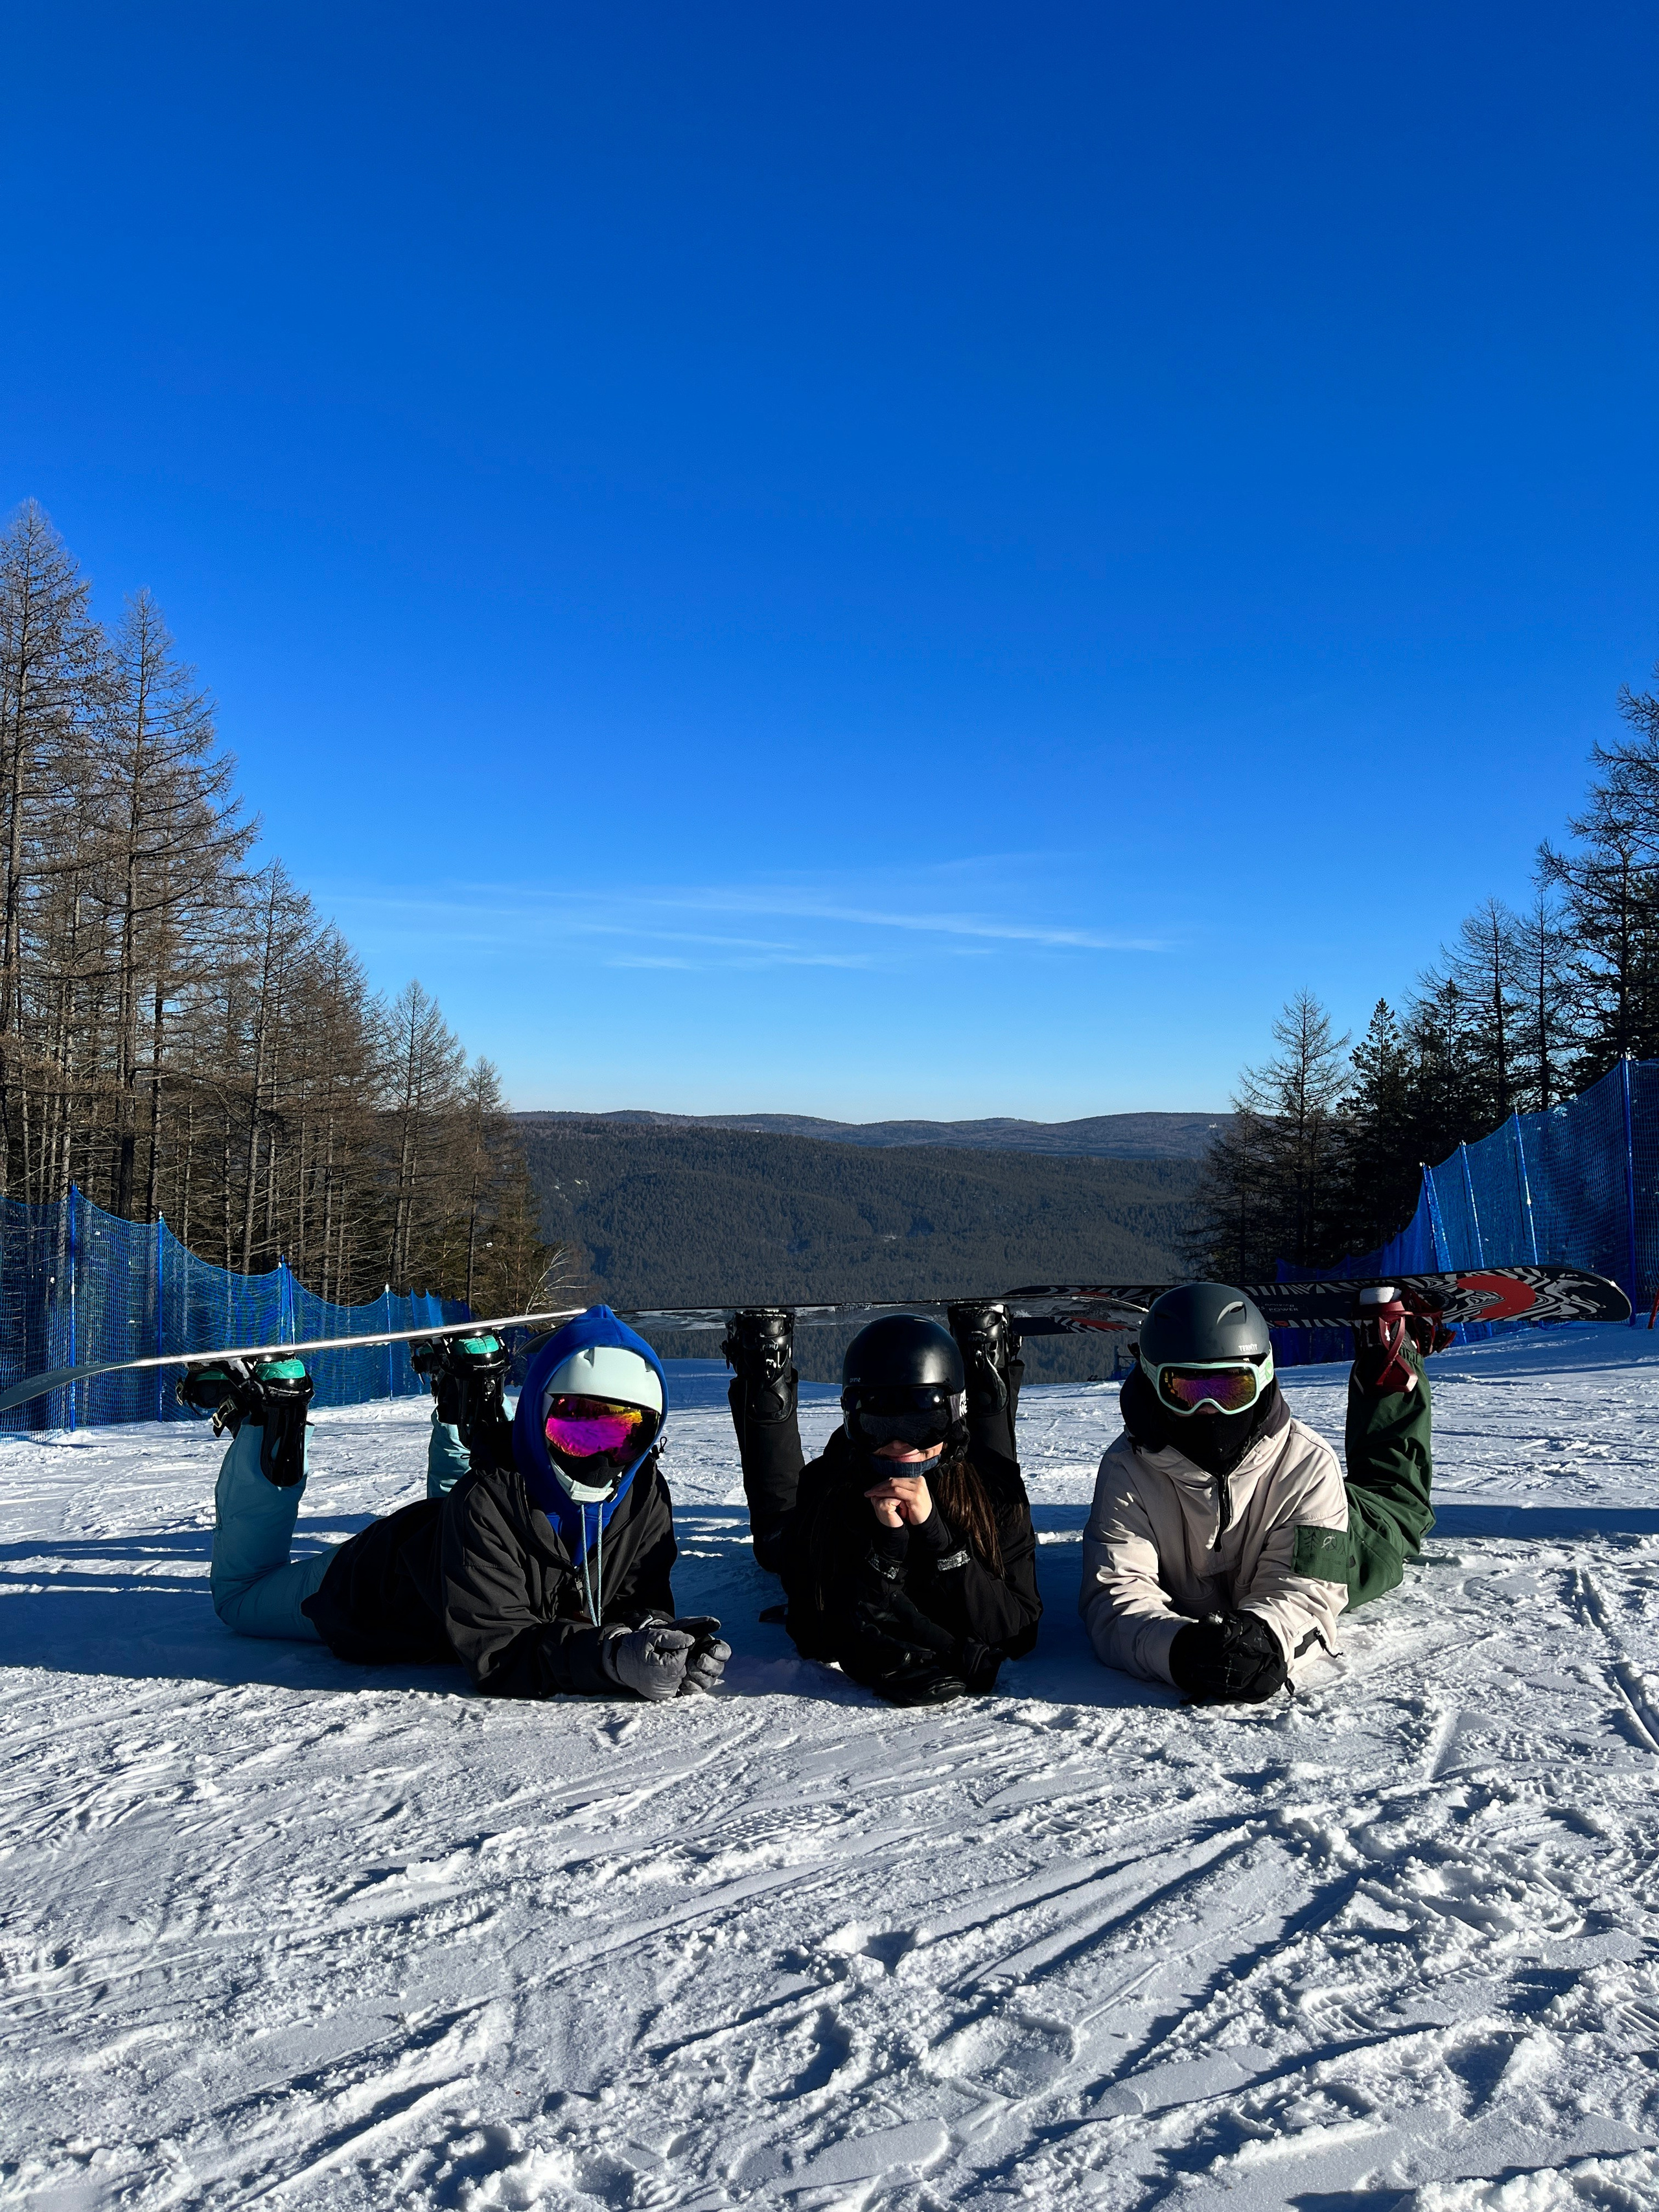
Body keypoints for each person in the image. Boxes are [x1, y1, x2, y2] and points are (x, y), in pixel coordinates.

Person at [190, 1304, 729, 1703]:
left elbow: (638, 1594)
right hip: (374, 1589)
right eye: (577, 1429)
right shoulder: (486, 1502)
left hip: (461, 1543)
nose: (602, 1459)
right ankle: (268, 1421)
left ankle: (468, 1391)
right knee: (240, 1597)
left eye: (627, 1436)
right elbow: (501, 1650)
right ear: (539, 1417)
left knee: (495, 1487)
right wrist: (612, 1658)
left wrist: (662, 1640)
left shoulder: (643, 1496)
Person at [1080, 1281, 1436, 1703]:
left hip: (1332, 1525)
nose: (1209, 1411)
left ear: (1263, 1378)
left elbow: (1309, 1594)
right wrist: (1179, 1649)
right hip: (1259, 1530)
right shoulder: (1129, 1470)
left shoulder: (1306, 1464)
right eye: (1187, 1390)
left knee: (1397, 1506)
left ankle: (1388, 1361)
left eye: (1233, 1389)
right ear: (1153, 1385)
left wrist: (1267, 1637)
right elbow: (1116, 1597)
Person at [723, 1302, 1041, 1705]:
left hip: (972, 1469)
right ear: (853, 1422)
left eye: (922, 1425)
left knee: (983, 1469)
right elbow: (813, 1634)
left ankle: (983, 1368)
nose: (898, 1445)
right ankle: (767, 1379)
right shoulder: (831, 1487)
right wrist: (887, 1549)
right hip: (849, 1481)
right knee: (775, 1544)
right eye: (878, 1426)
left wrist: (939, 1538)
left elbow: (1017, 1632)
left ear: (952, 1415)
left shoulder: (997, 1489)